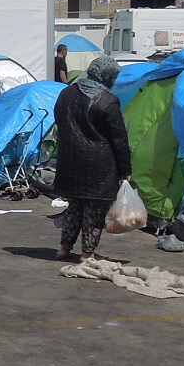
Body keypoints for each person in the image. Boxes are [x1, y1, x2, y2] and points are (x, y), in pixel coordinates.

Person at [52, 55, 133, 262]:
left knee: (74, 207)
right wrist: (125, 169)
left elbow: (60, 122)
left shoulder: (66, 93)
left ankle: (64, 248)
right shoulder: (107, 100)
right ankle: (87, 253)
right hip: (99, 165)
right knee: (94, 213)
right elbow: (119, 138)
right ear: (107, 76)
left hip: (71, 161)